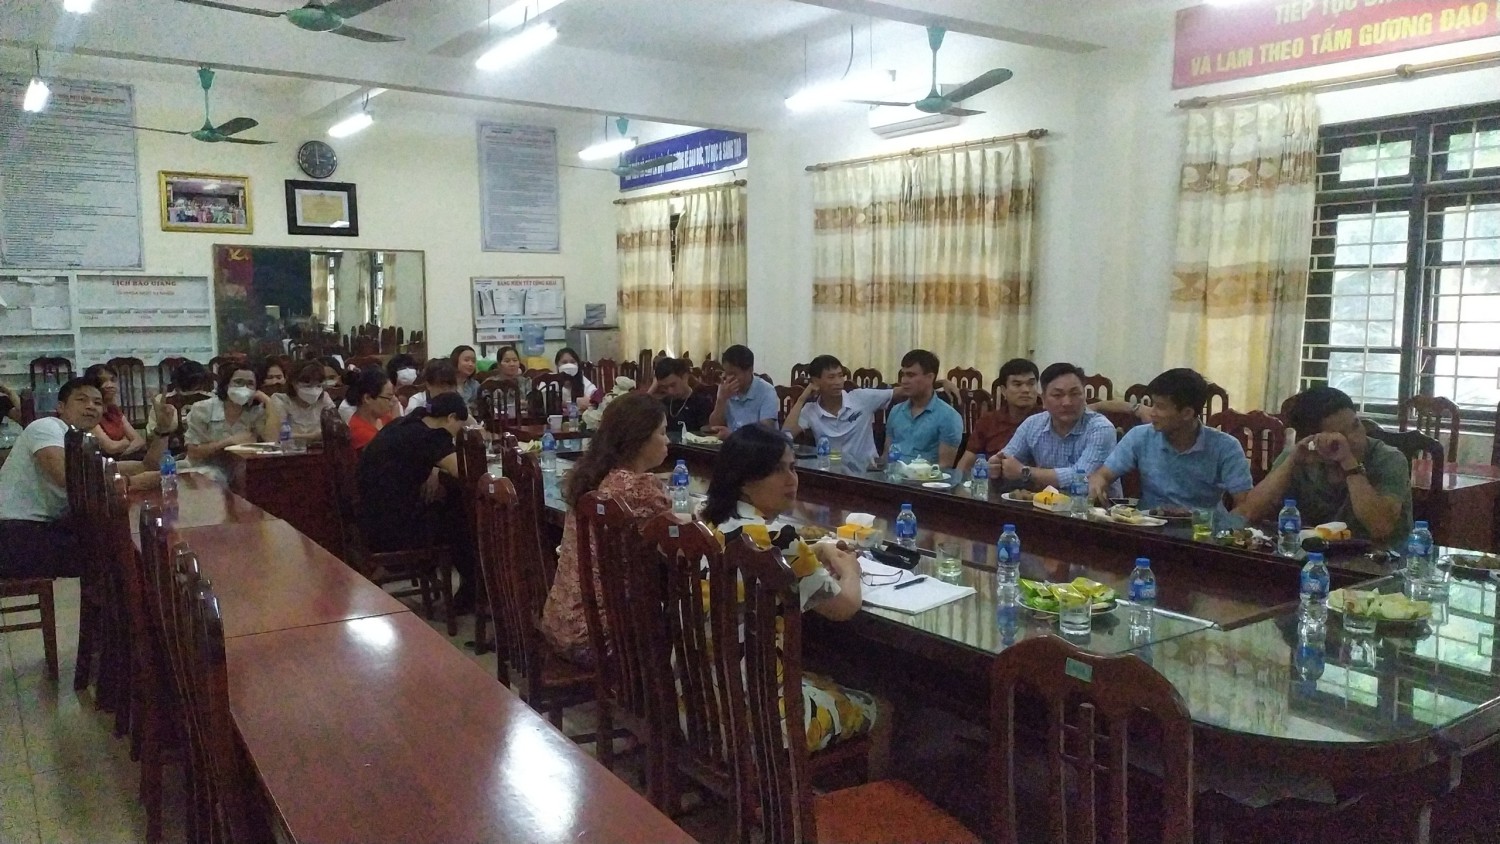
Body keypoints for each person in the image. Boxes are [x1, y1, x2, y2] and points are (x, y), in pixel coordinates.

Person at [702, 425, 887, 762]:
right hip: (760, 716)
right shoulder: (781, 539)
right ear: (744, 480)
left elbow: (761, 557)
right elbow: (844, 607)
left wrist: (817, 549)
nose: (792, 479)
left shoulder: (708, 521)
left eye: (793, 467)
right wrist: (851, 571)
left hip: (699, 699)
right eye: (777, 470)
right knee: (881, 706)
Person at [539, 394, 672, 666]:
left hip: (561, 622)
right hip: (600, 637)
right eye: (662, 433)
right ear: (638, 440)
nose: (668, 440)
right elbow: (677, 545)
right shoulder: (639, 489)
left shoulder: (591, 474)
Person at [0, 378, 171, 578]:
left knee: (119, 543)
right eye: (82, 400)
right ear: (61, 407)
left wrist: (163, 430)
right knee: (119, 555)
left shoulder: (81, 443)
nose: (91, 406)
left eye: (97, 403)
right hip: (13, 533)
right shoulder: (46, 427)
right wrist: (130, 483)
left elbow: (146, 465)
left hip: (43, 528)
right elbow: (68, 478)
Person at [1237, 386, 1411, 548]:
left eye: (1356, 425)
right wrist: (1291, 462)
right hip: (1313, 557)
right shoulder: (1301, 455)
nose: (1355, 439)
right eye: (1340, 436)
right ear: (1314, 440)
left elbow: (1381, 527)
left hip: (1379, 561)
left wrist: (1350, 464)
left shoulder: (1389, 459)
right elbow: (1249, 513)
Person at [356, 392, 478, 611]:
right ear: (451, 418)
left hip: (370, 518)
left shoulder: (405, 424)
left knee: (452, 504)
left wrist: (435, 470)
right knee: (463, 516)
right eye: (459, 428)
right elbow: (467, 472)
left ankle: (473, 589)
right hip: (393, 532)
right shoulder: (432, 437)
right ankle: (474, 591)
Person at [1087, 368, 1253, 512]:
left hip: (1202, 530)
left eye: (1160, 407)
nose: (1152, 412)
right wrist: (1098, 483)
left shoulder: (1226, 447)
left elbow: (1244, 504)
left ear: (1187, 413)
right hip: (1150, 526)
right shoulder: (1140, 436)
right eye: (1152, 404)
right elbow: (1103, 475)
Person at [998, 362, 1121, 497]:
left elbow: (1081, 477)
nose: (1067, 402)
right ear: (1043, 400)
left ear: (1084, 395)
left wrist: (1025, 472)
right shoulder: (1033, 424)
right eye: (1057, 395)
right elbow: (1006, 458)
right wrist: (997, 465)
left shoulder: (1101, 428)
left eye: (1075, 394)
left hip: (1094, 508)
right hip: (1045, 505)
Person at [783, 354, 893, 472]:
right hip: (833, 472)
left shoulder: (861, 398)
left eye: (840, 376)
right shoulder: (811, 410)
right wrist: (801, 399)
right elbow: (786, 435)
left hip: (868, 472)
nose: (838, 382)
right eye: (831, 377)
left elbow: (899, 392)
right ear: (815, 381)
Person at [184, 362, 271, 485]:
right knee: (216, 478)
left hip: (240, 470)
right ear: (226, 386)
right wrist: (228, 442)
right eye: (238, 382)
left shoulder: (256, 412)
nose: (244, 388)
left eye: (250, 384)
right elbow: (193, 452)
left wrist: (268, 401)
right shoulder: (203, 409)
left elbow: (272, 441)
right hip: (204, 471)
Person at [956, 358, 1042, 477]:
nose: (1026, 390)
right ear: (1003, 390)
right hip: (993, 484)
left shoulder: (1048, 421)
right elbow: (965, 464)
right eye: (1017, 384)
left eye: (1031, 384)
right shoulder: (989, 421)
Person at [884, 349, 964, 466]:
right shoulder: (896, 411)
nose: (904, 381)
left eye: (911, 375)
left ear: (930, 377)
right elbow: (886, 456)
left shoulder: (949, 417)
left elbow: (944, 467)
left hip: (926, 476)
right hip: (892, 474)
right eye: (903, 375)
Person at [708, 344, 778, 435]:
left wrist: (733, 435)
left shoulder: (767, 391)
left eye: (733, 374)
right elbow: (714, 426)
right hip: (730, 442)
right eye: (726, 373)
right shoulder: (725, 389)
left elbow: (765, 431)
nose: (728, 378)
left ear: (750, 370)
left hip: (756, 443)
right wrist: (721, 400)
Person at [82, 363, 147, 460]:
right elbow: (110, 447)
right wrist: (126, 442)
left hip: (123, 458)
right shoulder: (89, 413)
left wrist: (122, 450)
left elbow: (139, 440)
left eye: (112, 380)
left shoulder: (113, 409)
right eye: (103, 381)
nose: (110, 385)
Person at [267, 360, 336, 443]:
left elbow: (336, 430)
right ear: (293, 383)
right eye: (308, 386)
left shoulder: (324, 398)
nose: (314, 390)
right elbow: (276, 437)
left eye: (318, 386)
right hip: (289, 450)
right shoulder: (280, 400)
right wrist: (313, 436)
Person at [649, 357, 715, 433]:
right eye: (664, 387)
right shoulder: (663, 404)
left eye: (673, 385)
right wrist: (652, 389)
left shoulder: (701, 403)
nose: (670, 391)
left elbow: (707, 435)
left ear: (685, 377)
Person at [346, 368, 397, 452]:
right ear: (367, 398)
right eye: (389, 397)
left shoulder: (383, 416)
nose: (394, 402)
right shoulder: (360, 434)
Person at [553, 347, 600, 411]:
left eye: (572, 362)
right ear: (557, 365)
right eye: (564, 362)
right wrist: (573, 402)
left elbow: (594, 395)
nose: (569, 365)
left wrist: (590, 401)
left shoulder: (582, 380)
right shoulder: (552, 381)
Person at [451, 345, 481, 409]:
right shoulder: (446, 384)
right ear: (455, 361)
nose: (470, 364)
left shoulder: (475, 385)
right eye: (466, 360)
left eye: (473, 361)